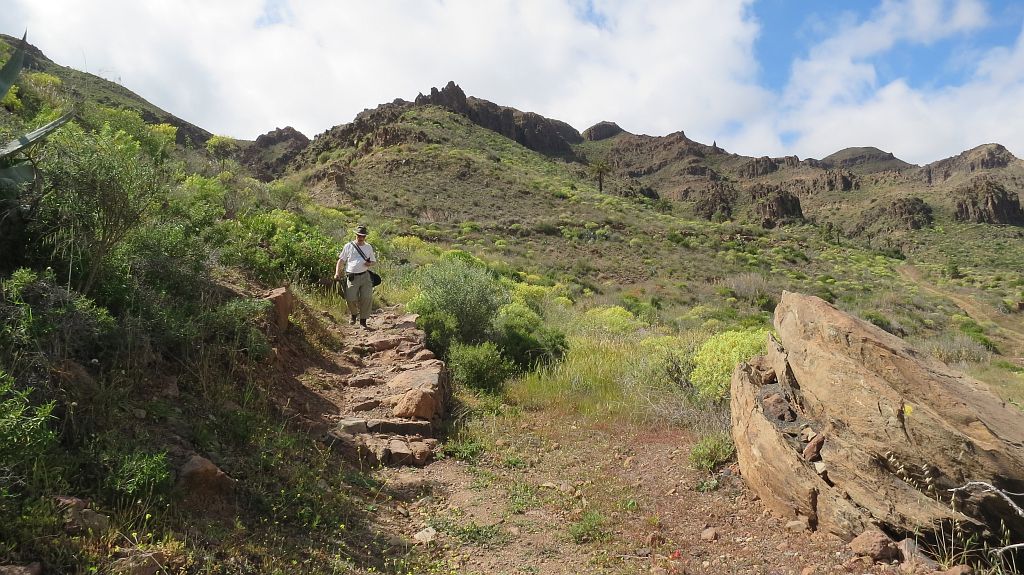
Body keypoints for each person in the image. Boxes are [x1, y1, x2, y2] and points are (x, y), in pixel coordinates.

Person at [334, 224, 376, 329]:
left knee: (366, 298)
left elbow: (373, 261)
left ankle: (363, 321)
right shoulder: (348, 246)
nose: (361, 238)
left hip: (365, 276)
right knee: (350, 298)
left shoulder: (368, 247)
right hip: (352, 276)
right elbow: (341, 260)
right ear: (355, 235)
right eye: (359, 236)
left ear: (365, 237)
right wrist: (337, 273)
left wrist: (369, 264)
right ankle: (353, 314)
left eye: (363, 236)